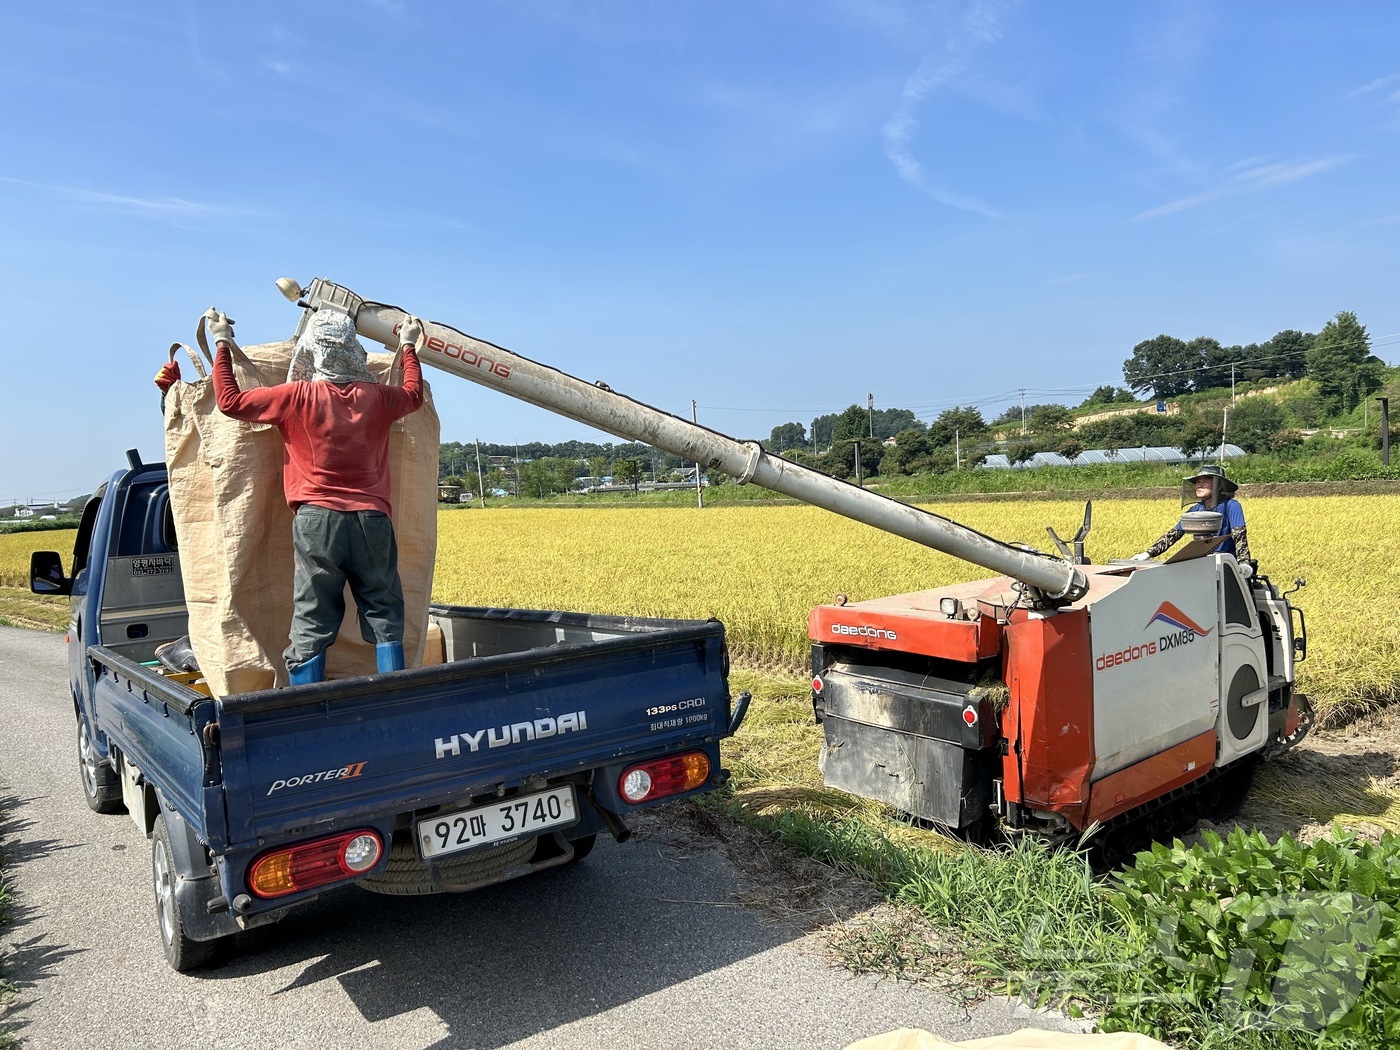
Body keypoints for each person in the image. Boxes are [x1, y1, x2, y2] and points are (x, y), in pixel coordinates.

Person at [209, 307, 426, 684]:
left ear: (311, 350)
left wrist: (222, 340)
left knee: (313, 613)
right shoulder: (377, 398)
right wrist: (407, 347)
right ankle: (394, 694)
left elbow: (229, 401)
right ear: (352, 349)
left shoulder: (297, 396)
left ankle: (305, 705)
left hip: (317, 522)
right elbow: (413, 395)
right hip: (373, 520)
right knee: (385, 609)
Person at [1131, 463, 1252, 570]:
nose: (1199, 485)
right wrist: (1148, 553)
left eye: (1205, 481)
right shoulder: (1195, 510)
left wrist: (1244, 563)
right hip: (1201, 563)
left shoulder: (1231, 506)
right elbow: (1174, 534)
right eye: (1198, 482)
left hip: (1225, 564)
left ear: (1218, 485)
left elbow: (1239, 536)